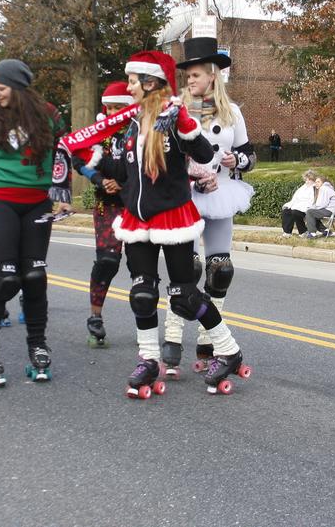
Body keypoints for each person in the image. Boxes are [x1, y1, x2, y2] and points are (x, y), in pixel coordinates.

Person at [89, 50, 248, 396]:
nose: (129, 87)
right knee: (142, 293)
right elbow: (128, 171)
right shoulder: (133, 123)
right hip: (138, 220)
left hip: (173, 217)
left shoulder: (173, 117)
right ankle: (148, 359)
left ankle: (229, 349)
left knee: (184, 295)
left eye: (133, 81)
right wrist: (96, 162)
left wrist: (186, 125)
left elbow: (206, 155)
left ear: (150, 83)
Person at [0, 59, 73, 386]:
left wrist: (64, 192)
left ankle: (38, 345)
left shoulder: (49, 115)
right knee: (6, 277)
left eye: (0, 87)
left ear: (17, 86)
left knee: (35, 275)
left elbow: (64, 151)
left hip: (37, 202)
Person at [162, 37, 255, 375]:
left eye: (196, 75)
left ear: (212, 75)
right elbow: (165, 154)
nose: (190, 81)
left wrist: (237, 159)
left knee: (220, 269)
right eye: (187, 76)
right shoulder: (175, 111)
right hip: (185, 195)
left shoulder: (233, 113)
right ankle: (172, 339)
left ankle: (208, 338)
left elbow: (250, 154)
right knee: (186, 269)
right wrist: (192, 172)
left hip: (220, 192)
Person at [73, 81, 134, 347]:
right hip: (106, 204)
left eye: (118, 108)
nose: (112, 113)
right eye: (109, 108)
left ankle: (146, 318)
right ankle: (95, 317)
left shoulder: (139, 129)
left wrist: (127, 184)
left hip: (136, 203)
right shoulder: (97, 132)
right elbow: (78, 158)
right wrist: (98, 179)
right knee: (108, 260)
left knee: (140, 266)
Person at [280, 170, 318, 236]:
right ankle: (287, 232)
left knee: (295, 212)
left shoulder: (315, 188)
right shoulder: (302, 188)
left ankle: (303, 231)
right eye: (306, 180)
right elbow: (295, 198)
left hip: (306, 207)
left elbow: (313, 201)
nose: (307, 181)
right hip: (297, 205)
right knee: (286, 211)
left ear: (313, 180)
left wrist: (303, 207)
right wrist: (289, 205)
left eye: (309, 180)